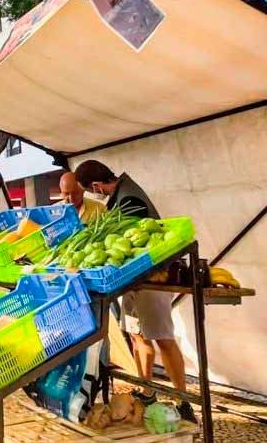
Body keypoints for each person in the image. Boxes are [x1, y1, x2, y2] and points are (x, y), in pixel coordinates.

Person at [75, 160, 196, 423]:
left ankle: (183, 401)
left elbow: (132, 243)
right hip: (134, 282)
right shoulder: (121, 195)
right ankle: (147, 391)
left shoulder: (130, 199)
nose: (94, 195)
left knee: (163, 338)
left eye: (91, 190)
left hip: (153, 280)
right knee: (137, 335)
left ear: (96, 185)